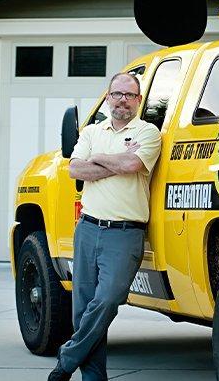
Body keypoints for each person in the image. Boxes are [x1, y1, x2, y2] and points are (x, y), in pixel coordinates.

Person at [49, 72, 162, 381]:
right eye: (117, 94)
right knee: (83, 308)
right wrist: (112, 160)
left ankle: (67, 358)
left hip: (125, 233)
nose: (122, 100)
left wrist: (98, 161)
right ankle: (93, 378)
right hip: (87, 228)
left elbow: (132, 165)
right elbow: (75, 168)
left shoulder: (149, 132)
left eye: (129, 95)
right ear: (108, 97)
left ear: (139, 101)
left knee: (109, 299)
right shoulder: (91, 131)